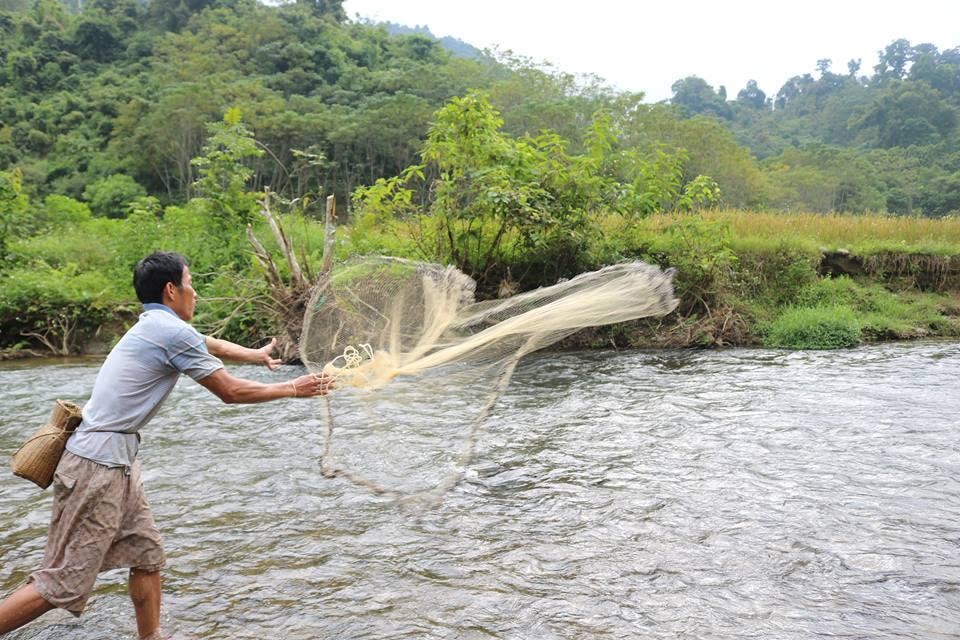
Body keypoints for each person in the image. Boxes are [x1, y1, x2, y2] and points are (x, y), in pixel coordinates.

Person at [0, 251, 333, 640]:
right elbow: (229, 392)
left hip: (115, 464)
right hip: (96, 467)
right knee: (63, 584)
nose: (195, 293)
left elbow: (211, 344)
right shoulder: (171, 332)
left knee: (146, 554)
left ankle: (151, 637)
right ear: (171, 289)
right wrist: (295, 387)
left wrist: (256, 355)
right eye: (190, 284)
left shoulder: (156, 324)